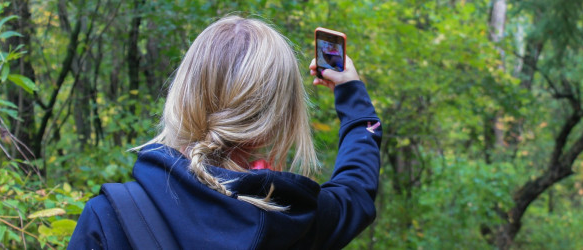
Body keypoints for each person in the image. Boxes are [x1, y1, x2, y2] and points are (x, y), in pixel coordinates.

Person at [68, 16, 382, 249]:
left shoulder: (110, 218)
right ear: (271, 125)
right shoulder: (299, 220)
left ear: (184, 95)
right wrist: (352, 93)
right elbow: (356, 190)